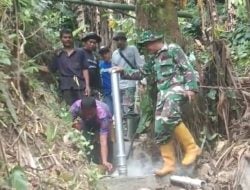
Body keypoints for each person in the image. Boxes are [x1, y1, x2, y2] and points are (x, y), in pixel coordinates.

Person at [112, 30, 201, 176]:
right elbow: (141, 73)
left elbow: (187, 68)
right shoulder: (153, 58)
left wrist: (191, 88)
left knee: (168, 117)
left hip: (177, 89)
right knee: (160, 127)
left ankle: (192, 148)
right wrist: (123, 71)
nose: (147, 48)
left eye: (148, 44)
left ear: (154, 42)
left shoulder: (173, 49)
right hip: (163, 93)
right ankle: (169, 164)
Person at [70, 97, 113, 172]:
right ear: (81, 110)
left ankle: (108, 162)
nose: (89, 115)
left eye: (91, 113)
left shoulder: (103, 114)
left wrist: (105, 161)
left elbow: (103, 141)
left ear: (95, 109)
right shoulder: (75, 107)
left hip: (101, 122)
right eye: (86, 113)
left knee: (107, 141)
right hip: (85, 122)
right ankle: (88, 160)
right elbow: (66, 123)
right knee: (84, 135)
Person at [49, 28, 90, 105]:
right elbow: (52, 69)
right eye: (65, 37)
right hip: (66, 86)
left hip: (80, 85)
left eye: (69, 37)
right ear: (61, 39)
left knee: (83, 107)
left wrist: (87, 86)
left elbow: (85, 69)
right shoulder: (58, 54)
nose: (67, 39)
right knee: (70, 109)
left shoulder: (80, 52)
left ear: (72, 39)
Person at [112, 31, 144, 114]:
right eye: (117, 40)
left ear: (125, 40)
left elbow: (140, 65)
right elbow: (113, 70)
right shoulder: (114, 54)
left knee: (128, 107)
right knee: (120, 108)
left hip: (130, 84)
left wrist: (141, 81)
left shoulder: (132, 49)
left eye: (121, 39)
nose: (119, 42)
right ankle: (124, 125)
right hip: (119, 85)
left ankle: (130, 125)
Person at [82, 32, 102, 98]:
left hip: (94, 89)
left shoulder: (95, 56)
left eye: (94, 43)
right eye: (90, 42)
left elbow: (97, 73)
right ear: (85, 42)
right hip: (83, 87)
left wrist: (99, 89)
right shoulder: (79, 53)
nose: (92, 44)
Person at [99, 46, 113, 115]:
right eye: (102, 54)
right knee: (109, 111)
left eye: (106, 53)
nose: (104, 55)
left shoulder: (114, 63)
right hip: (106, 93)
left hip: (116, 91)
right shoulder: (100, 65)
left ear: (109, 53)